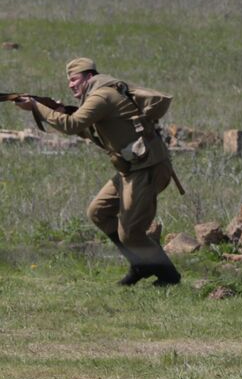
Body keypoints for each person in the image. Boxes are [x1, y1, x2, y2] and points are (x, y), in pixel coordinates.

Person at [18, 57, 180, 286]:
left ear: (88, 76)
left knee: (130, 232)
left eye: (74, 79)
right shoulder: (98, 95)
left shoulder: (101, 96)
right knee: (98, 212)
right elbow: (89, 130)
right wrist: (60, 110)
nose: (71, 85)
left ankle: (169, 276)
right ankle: (140, 264)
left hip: (147, 168)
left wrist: (37, 106)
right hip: (131, 169)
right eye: (69, 81)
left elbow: (71, 125)